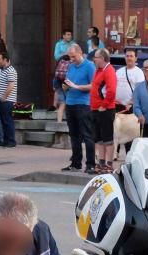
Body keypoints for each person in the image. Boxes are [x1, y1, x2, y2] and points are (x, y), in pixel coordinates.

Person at [62, 43, 96, 175]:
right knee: (74, 135)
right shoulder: (70, 66)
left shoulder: (89, 66)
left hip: (83, 104)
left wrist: (76, 86)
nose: (71, 59)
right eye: (70, 57)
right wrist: (66, 86)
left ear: (80, 53)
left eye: (73, 57)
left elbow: (93, 86)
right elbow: (68, 82)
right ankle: (75, 163)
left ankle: (90, 164)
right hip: (70, 102)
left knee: (87, 135)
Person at [90, 48, 117, 173]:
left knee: (108, 139)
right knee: (99, 139)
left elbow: (111, 90)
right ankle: (101, 163)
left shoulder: (109, 70)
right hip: (96, 109)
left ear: (102, 58)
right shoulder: (98, 70)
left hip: (105, 110)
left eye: (96, 57)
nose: (94, 59)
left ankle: (109, 164)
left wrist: (104, 105)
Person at [0, 51, 18, 149]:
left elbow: (11, 85)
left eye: (0, 59)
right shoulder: (4, 70)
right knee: (3, 121)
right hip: (2, 100)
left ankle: (11, 141)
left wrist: (4, 96)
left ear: (5, 60)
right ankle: (6, 140)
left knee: (7, 121)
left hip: (7, 101)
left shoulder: (10, 70)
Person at [115, 48, 145, 117]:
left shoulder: (139, 72)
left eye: (131, 56)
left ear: (136, 58)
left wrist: (132, 102)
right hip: (117, 106)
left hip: (130, 108)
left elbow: (140, 90)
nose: (129, 58)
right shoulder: (119, 71)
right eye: (127, 56)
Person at [52, 50, 71, 122]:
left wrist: (54, 86)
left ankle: (59, 122)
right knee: (68, 102)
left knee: (62, 104)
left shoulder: (60, 60)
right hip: (66, 83)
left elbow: (56, 74)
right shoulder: (71, 61)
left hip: (58, 82)